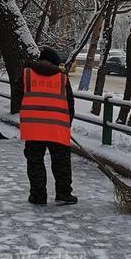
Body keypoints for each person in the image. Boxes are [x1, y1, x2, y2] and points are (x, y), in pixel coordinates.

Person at [15, 46, 77, 205]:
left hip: (33, 128)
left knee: (35, 161)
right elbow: (70, 104)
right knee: (61, 162)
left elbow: (17, 96)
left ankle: (38, 195)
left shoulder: (26, 74)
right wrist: (66, 125)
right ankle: (63, 193)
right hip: (57, 129)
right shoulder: (62, 78)